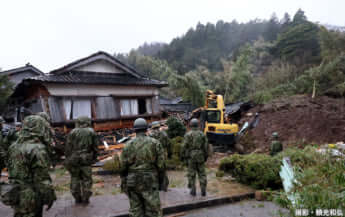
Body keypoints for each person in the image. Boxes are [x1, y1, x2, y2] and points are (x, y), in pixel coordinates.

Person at [5, 115, 56, 217]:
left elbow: (9, 167)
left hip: (15, 191)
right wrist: (49, 196)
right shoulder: (37, 148)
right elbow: (41, 178)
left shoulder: (13, 146)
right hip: (31, 195)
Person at [120, 118, 166, 217]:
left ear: (135, 129)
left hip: (132, 180)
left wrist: (124, 180)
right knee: (153, 209)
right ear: (146, 129)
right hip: (150, 179)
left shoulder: (128, 145)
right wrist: (161, 180)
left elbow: (123, 166)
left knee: (136, 210)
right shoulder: (155, 143)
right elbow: (161, 165)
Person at [65, 116, 99, 204]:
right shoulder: (91, 132)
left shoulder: (72, 132)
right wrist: (95, 157)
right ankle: (86, 198)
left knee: (75, 177)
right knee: (87, 179)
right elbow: (95, 147)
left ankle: (77, 197)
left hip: (74, 158)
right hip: (86, 159)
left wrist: (68, 158)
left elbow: (68, 148)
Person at [181, 118, 209, 196]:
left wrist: (182, 156)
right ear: (198, 125)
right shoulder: (202, 134)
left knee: (191, 173)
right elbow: (206, 147)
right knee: (202, 173)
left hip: (191, 156)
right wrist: (206, 156)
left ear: (190, 125)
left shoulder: (188, 134)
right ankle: (203, 190)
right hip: (200, 155)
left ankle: (193, 190)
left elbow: (183, 146)